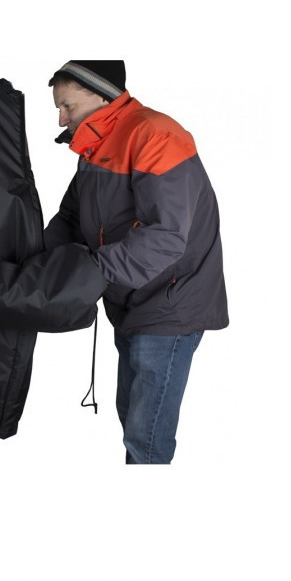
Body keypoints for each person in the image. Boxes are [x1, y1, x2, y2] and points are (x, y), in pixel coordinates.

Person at [44, 61, 228, 464]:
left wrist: (91, 271)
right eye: (58, 108)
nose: (61, 119)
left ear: (101, 96)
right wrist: (37, 259)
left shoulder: (156, 135)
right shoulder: (96, 145)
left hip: (169, 302)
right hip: (129, 299)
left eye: (67, 106)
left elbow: (165, 236)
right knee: (131, 418)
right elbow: (73, 217)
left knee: (146, 439)